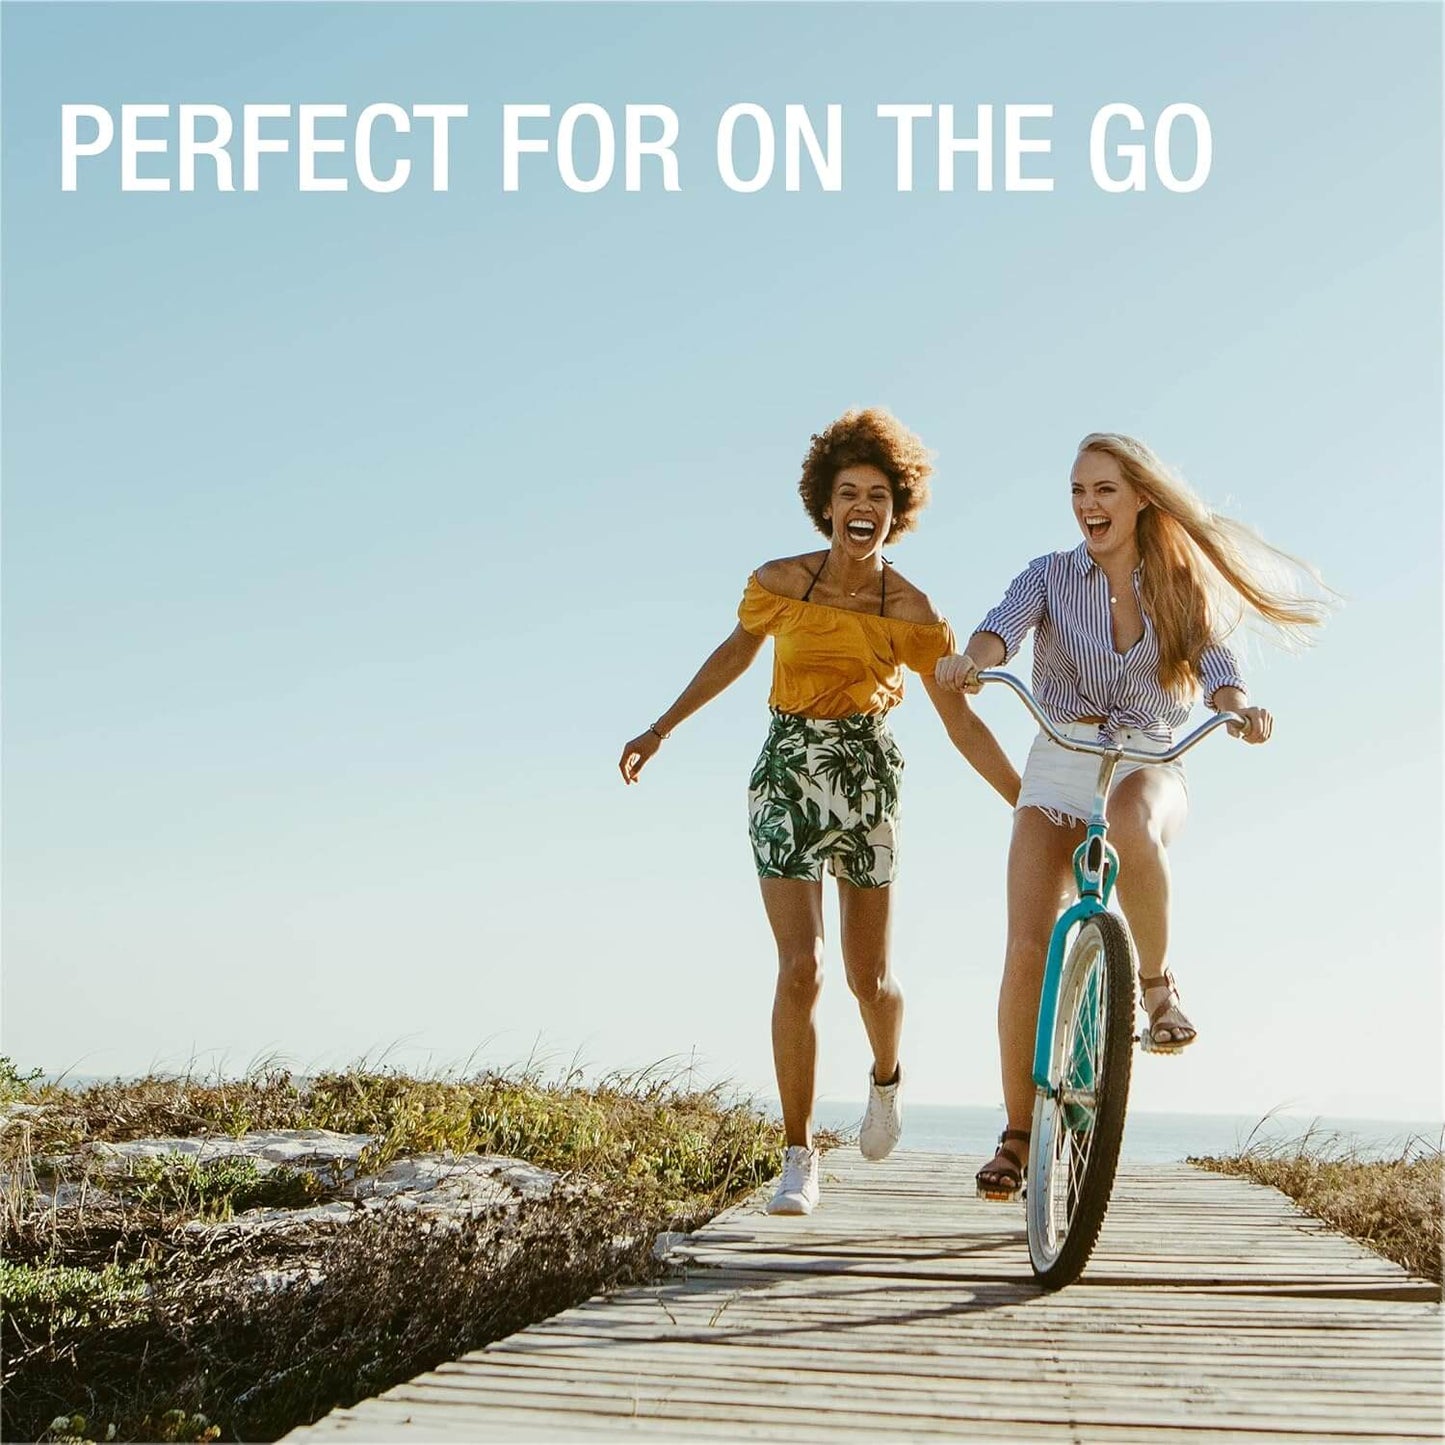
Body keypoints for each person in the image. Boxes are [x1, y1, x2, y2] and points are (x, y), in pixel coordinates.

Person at [619, 408, 1019, 1216]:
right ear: (825, 504)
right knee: (800, 966)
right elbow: (734, 652)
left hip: (865, 774)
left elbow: (960, 723)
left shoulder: (911, 610)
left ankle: (885, 1078)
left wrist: (1025, 801)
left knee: (869, 978)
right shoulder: (780, 583)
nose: (861, 507)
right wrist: (660, 728)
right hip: (785, 771)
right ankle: (798, 1155)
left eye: (877, 495)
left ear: (895, 511)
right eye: (848, 493)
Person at [935, 432, 1330, 1202]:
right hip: (1060, 752)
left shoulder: (1177, 584)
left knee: (1129, 824)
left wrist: (1238, 707)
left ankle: (1154, 987)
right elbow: (999, 628)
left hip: (1149, 755)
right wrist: (973, 663)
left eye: (1103, 490)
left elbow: (1216, 665)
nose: (1087, 505)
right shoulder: (1048, 575)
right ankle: (1016, 1134)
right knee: (1026, 944)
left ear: (1140, 497)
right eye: (1077, 491)